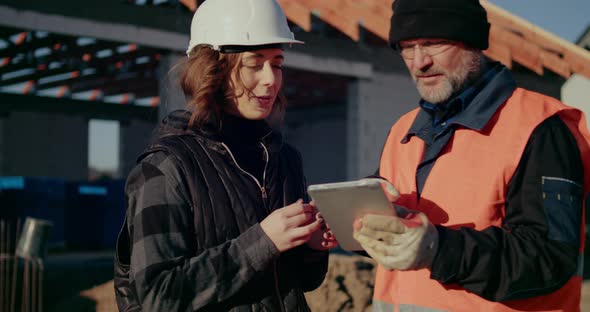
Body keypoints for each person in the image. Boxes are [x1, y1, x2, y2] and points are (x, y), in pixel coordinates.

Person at [352, 0, 590, 311]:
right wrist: (361, 220)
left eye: (433, 43)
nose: (419, 61)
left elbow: (549, 256)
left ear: (472, 43)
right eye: (407, 47)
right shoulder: (404, 130)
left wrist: (438, 249)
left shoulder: (540, 129)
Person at [113, 0, 336, 311]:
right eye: (254, 63)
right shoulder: (166, 168)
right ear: (213, 69)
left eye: (278, 63)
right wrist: (263, 242)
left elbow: (302, 281)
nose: (271, 79)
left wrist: (311, 248)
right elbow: (157, 296)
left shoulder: (285, 159)